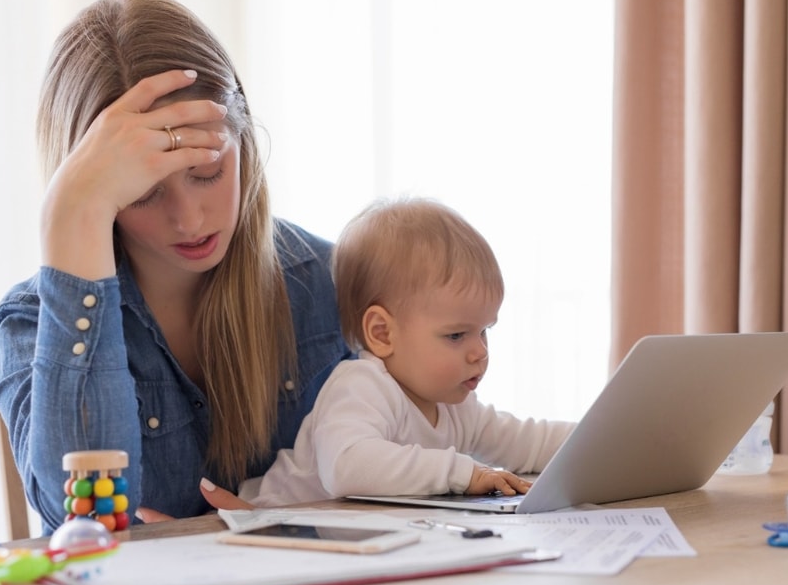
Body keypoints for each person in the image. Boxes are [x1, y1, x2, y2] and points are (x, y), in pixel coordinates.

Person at [0, 0, 351, 531]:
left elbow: (418, 470)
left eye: (207, 171)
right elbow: (83, 519)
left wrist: (276, 526)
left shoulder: (327, 282)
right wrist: (68, 218)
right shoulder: (33, 322)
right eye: (142, 192)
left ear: (244, 141)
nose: (189, 219)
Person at [241, 197, 576, 506]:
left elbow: (526, 442)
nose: (480, 353)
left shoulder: (455, 406)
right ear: (382, 333)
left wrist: (609, 441)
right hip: (274, 532)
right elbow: (346, 467)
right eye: (457, 335)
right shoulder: (361, 386)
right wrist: (461, 473)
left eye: (484, 331)